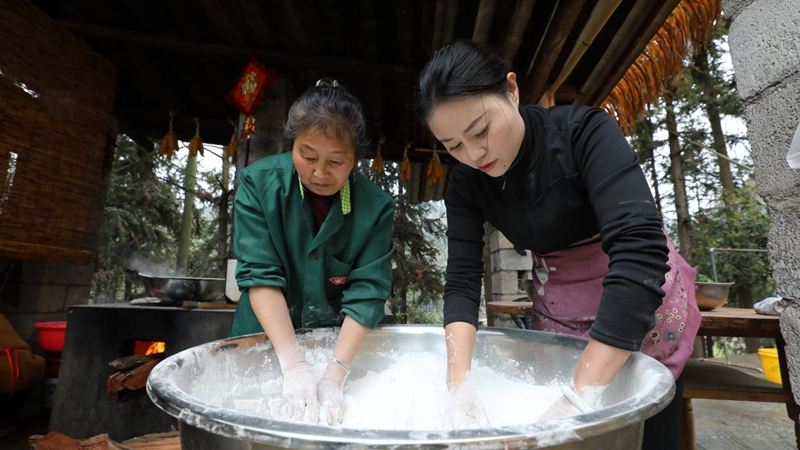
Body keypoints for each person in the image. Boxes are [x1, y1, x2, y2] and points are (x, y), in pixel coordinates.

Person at [417, 40, 699, 448]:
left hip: (640, 306)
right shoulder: (466, 184)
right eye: (452, 145)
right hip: (560, 313)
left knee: (643, 430)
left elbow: (640, 251)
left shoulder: (584, 133)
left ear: (511, 90)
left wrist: (577, 396)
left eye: (480, 131)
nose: (474, 154)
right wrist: (458, 384)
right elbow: (462, 278)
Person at [231, 80, 394, 426]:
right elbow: (260, 275)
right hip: (260, 341)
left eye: (337, 161)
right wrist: (293, 365)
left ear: (355, 160)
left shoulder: (376, 209)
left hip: (334, 347)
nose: (320, 173)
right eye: (307, 156)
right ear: (293, 147)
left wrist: (334, 375)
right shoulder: (257, 186)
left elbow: (368, 293)